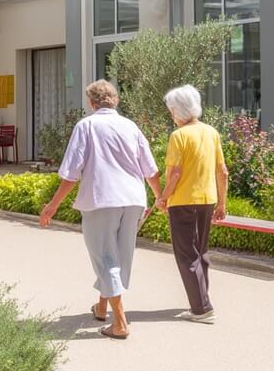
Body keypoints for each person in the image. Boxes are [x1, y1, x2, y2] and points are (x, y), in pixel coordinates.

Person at [39, 80, 160, 340]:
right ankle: (102, 307)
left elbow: (72, 173)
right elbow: (150, 170)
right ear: (116, 100)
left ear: (92, 103)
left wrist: (52, 205)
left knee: (105, 258)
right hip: (133, 199)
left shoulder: (87, 126)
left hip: (102, 199)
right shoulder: (131, 126)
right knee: (120, 257)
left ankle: (120, 323)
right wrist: (160, 198)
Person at [155, 84, 229, 324]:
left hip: (183, 201)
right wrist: (222, 203)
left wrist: (163, 198)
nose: (171, 115)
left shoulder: (178, 136)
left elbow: (174, 173)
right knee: (201, 252)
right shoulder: (211, 132)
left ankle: (202, 308)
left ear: (178, 111)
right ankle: (201, 300)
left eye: (171, 111)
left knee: (187, 255)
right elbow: (222, 172)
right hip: (208, 200)